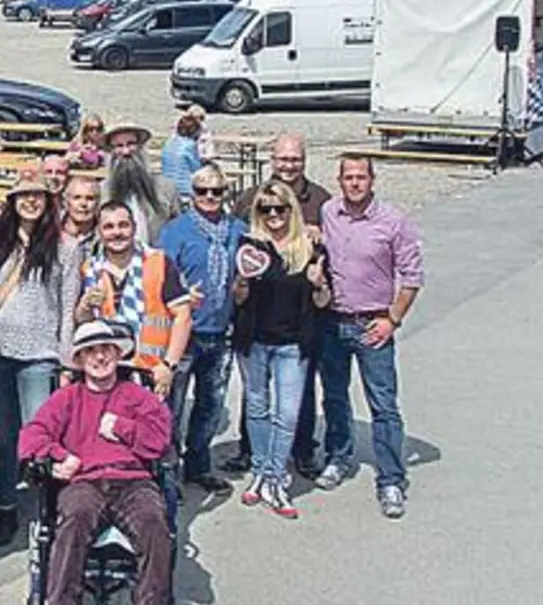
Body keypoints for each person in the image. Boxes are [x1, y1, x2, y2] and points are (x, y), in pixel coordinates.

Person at [18, 319, 174, 605]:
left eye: (106, 350)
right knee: (72, 520)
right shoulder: (67, 398)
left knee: (154, 524)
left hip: (133, 480)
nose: (99, 357)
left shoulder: (138, 396)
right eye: (91, 351)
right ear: (80, 358)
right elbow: (33, 435)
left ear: (118, 354)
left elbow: (161, 441)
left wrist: (122, 427)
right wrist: (58, 456)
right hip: (84, 481)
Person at [0, 166, 78, 547]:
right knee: (3, 438)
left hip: (40, 353)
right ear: (13, 201)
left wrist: (66, 361)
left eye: (38, 194)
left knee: (39, 436)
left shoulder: (65, 246)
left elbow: (68, 305)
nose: (31, 201)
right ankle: (6, 508)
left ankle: (48, 507)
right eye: (23, 195)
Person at [316, 155, 424, 519]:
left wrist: (392, 320)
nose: (355, 183)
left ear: (372, 180)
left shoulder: (393, 222)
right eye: (349, 177)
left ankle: (391, 478)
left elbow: (412, 277)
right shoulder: (330, 212)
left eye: (361, 177)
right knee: (334, 397)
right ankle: (338, 456)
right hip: (333, 322)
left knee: (383, 405)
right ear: (339, 180)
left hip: (373, 324)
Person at [227, 133, 332, 476]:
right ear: (272, 159)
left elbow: (332, 251)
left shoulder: (321, 200)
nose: (289, 165)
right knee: (255, 395)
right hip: (257, 316)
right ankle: (250, 451)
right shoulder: (248, 198)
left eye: (295, 159)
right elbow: (238, 246)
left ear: (305, 159)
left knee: (298, 396)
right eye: (283, 159)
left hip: (301, 314)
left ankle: (302, 450)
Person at [158, 165, 245, 494]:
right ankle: (167, 473)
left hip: (220, 332)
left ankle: (198, 466)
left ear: (226, 193)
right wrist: (181, 295)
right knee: (173, 408)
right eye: (202, 191)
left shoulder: (238, 229)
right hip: (184, 334)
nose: (209, 197)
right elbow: (161, 277)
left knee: (210, 405)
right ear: (191, 194)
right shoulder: (175, 231)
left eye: (217, 191)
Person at [74, 201, 193, 401]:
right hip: (105, 371)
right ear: (99, 232)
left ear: (134, 228)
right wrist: (85, 305)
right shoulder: (90, 269)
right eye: (108, 227)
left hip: (152, 370)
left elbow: (183, 315)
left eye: (123, 225)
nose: (116, 232)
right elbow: (83, 321)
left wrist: (169, 364)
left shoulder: (158, 262)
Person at [101, 121, 179, 246]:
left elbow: (177, 228)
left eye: (131, 144)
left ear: (141, 146)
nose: (126, 151)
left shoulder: (166, 188)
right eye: (119, 146)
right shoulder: (101, 192)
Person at [159, 106, 213, 203]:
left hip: (166, 188)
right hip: (185, 190)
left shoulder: (169, 142)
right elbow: (197, 169)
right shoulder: (189, 146)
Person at [59, 174, 101, 253]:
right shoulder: (50, 232)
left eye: (90, 198)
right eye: (77, 197)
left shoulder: (104, 236)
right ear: (65, 202)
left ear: (98, 203)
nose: (83, 203)